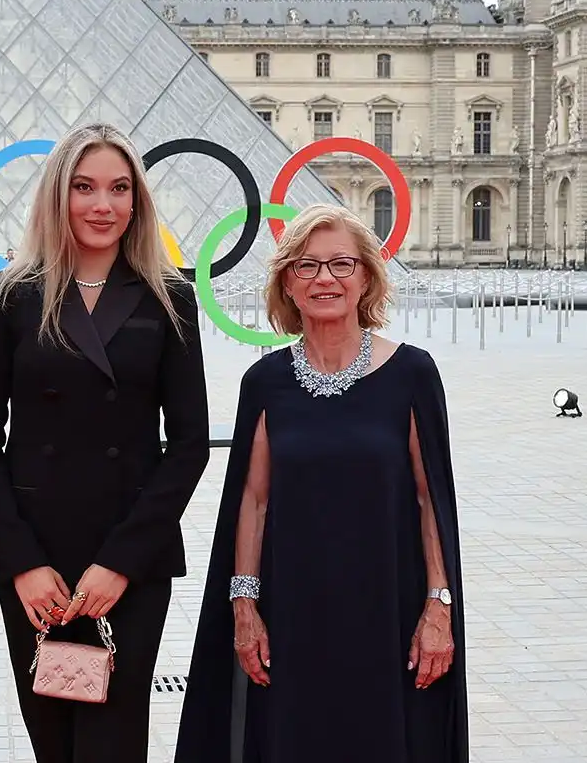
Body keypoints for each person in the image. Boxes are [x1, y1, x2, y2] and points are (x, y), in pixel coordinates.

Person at [175, 204, 467, 763]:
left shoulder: (411, 373)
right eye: (306, 266)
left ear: (366, 278)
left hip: (389, 609)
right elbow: (252, 501)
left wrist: (439, 606)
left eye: (341, 264)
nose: (324, 279)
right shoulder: (263, 382)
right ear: (287, 281)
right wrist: (244, 607)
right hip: (291, 614)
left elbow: (432, 500)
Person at [0, 123, 210, 763]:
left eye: (119, 188)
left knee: (114, 742)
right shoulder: (13, 294)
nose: (103, 205)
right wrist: (18, 560)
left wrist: (120, 562)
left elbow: (188, 444)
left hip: (128, 563)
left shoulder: (170, 296)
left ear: (137, 201)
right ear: (57, 196)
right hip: (36, 562)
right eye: (85, 187)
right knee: (52, 740)